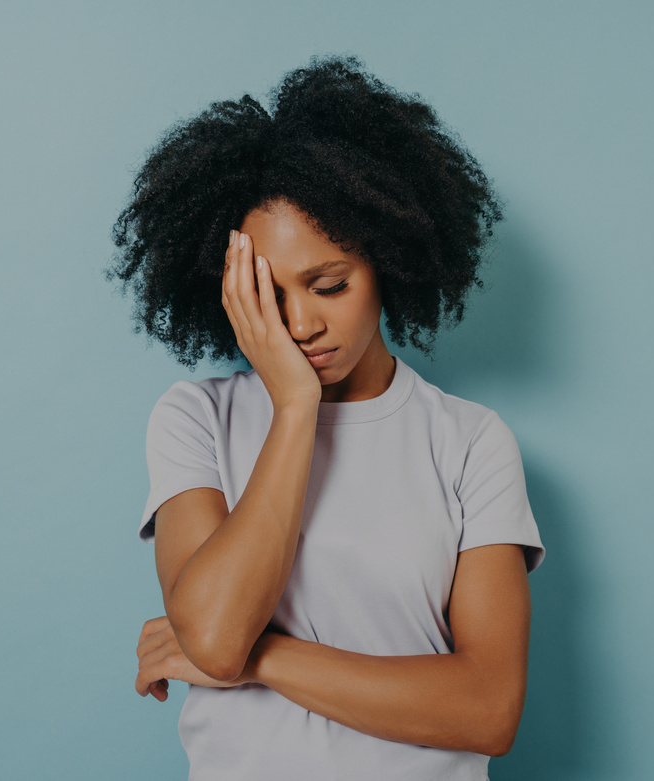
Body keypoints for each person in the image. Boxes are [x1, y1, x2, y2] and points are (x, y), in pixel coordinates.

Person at [110, 54, 545, 780]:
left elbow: (488, 709)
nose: (303, 322)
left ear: (387, 259)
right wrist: (293, 405)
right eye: (270, 296)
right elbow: (214, 639)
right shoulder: (195, 419)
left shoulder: (469, 442)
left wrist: (264, 659)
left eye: (331, 283)